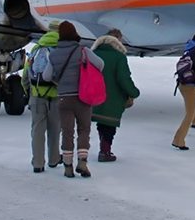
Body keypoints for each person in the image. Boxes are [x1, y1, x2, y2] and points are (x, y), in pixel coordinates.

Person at [44, 21, 104, 178]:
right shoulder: (83, 51)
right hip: (83, 97)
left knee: (67, 132)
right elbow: (100, 64)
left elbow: (46, 76)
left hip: (64, 98)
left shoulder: (54, 54)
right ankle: (82, 162)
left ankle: (68, 167)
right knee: (84, 129)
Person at [91, 28, 140, 162]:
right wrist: (134, 92)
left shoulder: (94, 53)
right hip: (113, 97)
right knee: (109, 125)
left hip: (94, 96)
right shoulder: (119, 56)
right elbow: (123, 78)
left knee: (101, 123)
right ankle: (105, 151)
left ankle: (103, 148)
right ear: (117, 39)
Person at [23, 20, 62, 173]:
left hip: (37, 95)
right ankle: (53, 160)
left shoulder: (36, 49)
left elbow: (26, 74)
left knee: (37, 131)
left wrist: (28, 91)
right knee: (55, 129)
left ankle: (38, 163)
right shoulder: (61, 50)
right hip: (56, 96)